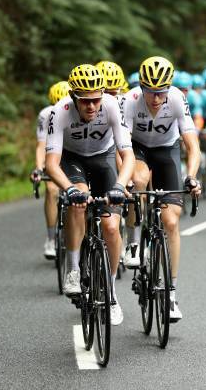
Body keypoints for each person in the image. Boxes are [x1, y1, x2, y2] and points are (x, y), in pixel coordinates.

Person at [45, 64, 135, 326]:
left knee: (110, 226)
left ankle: (112, 293)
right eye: (85, 102)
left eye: (96, 99)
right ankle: (73, 269)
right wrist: (70, 189)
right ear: (74, 97)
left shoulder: (110, 105)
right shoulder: (59, 112)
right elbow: (52, 163)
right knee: (79, 201)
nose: (92, 106)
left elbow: (127, 155)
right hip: (72, 161)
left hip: (103, 159)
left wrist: (120, 185)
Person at [121, 56, 202, 323]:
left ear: (168, 89)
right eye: (150, 92)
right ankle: (133, 243)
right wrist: (126, 178)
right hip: (138, 149)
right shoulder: (130, 101)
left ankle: (171, 294)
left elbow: (192, 145)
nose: (155, 98)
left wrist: (191, 177)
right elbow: (120, 146)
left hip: (167, 151)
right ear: (141, 86)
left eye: (161, 92)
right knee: (141, 181)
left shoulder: (177, 99)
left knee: (170, 222)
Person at [31, 81, 71, 260]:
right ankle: (51, 237)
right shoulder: (45, 115)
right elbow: (41, 145)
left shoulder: (77, 111)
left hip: (71, 155)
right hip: (53, 155)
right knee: (51, 189)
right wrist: (39, 169)